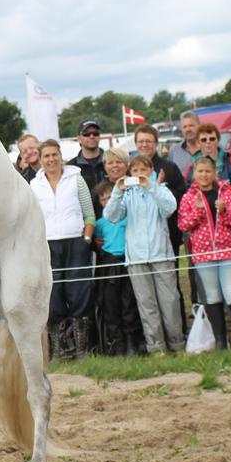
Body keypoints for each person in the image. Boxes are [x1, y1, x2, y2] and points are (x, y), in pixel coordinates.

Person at [104, 154, 184, 355]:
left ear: (151, 171)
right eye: (136, 171)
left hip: (161, 255)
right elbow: (111, 216)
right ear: (130, 173)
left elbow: (169, 208)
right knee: (146, 304)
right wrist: (117, 191)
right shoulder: (126, 195)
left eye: (144, 170)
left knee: (170, 301)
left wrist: (151, 186)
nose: (140, 174)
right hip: (137, 259)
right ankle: (156, 347)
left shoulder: (160, 189)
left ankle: (176, 344)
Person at [177, 156, 231, 349]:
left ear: (215, 173)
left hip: (227, 251)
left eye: (208, 171)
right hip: (203, 255)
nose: (204, 175)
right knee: (212, 296)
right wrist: (198, 211)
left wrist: (224, 210)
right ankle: (220, 340)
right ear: (194, 174)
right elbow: (183, 224)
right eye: (200, 171)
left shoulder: (225, 193)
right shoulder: (188, 197)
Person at [30, 139, 95, 359]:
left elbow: (89, 214)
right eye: (46, 156)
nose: (51, 160)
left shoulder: (76, 179)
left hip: (75, 242)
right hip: (48, 245)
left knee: (80, 294)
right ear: (40, 160)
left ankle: (81, 349)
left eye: (54, 155)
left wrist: (86, 238)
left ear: (61, 156)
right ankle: (58, 351)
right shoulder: (34, 185)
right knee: (53, 297)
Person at [92, 151, 142, 355]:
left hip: (130, 256)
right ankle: (115, 343)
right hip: (108, 262)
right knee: (110, 303)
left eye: (119, 162)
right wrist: (94, 242)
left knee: (130, 301)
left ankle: (134, 341)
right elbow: (94, 230)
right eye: (110, 162)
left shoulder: (133, 188)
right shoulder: (100, 219)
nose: (114, 165)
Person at [68, 120, 107, 216]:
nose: (92, 136)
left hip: (111, 222)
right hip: (85, 223)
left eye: (95, 133)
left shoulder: (111, 161)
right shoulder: (71, 168)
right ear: (79, 138)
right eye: (86, 134)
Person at [168, 110, 201, 177]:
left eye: (191, 125)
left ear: (199, 126)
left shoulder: (208, 147)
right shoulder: (174, 150)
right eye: (184, 127)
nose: (188, 129)